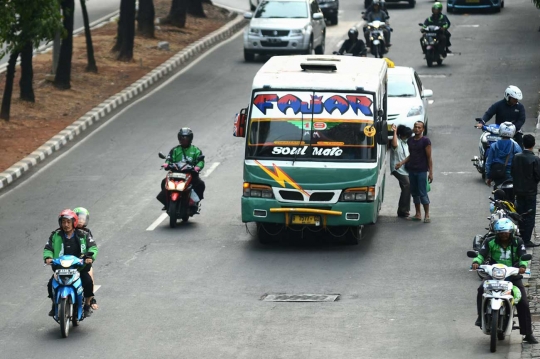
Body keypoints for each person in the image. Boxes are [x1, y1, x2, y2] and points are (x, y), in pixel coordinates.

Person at [471, 218, 538, 344]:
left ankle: (528, 333)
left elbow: (523, 255)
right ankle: (481, 317)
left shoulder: (518, 241)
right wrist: (476, 262)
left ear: (511, 232)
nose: (503, 235)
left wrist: (522, 266)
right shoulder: (490, 241)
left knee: (523, 302)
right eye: (501, 233)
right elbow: (481, 254)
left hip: (513, 276)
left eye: (506, 232)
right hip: (494, 274)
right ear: (496, 233)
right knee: (481, 289)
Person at [44, 209, 99, 317]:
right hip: (60, 268)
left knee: (88, 282)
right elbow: (48, 248)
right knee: (51, 284)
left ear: (74, 222)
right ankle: (54, 304)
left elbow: (93, 247)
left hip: (79, 268)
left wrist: (90, 257)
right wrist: (48, 257)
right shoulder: (56, 235)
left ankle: (87, 305)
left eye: (68, 222)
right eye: (63, 222)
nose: (66, 225)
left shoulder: (83, 235)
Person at [158, 127, 206, 210]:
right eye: (182, 138)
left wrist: (197, 167)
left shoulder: (196, 150)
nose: (184, 140)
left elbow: (201, 161)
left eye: (186, 138)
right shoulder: (175, 150)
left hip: (190, 173)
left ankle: (195, 202)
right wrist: (166, 164)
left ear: (190, 139)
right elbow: (169, 159)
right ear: (179, 139)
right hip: (175, 173)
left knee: (201, 184)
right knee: (164, 182)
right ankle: (167, 202)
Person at [395, 121, 432, 223]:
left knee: (422, 193)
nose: (417, 129)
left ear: (423, 129)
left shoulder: (426, 141)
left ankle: (427, 214)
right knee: (415, 193)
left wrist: (431, 172)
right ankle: (418, 214)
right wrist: (401, 163)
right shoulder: (410, 141)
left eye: (419, 127)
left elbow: (429, 158)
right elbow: (411, 155)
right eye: (415, 127)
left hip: (421, 171)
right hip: (412, 170)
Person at [511, 134, 540, 247]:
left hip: (518, 190)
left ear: (523, 144)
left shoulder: (517, 157)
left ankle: (520, 236)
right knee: (530, 215)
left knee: (520, 213)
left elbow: (512, 171)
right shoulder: (535, 159)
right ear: (533, 145)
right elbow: (537, 176)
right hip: (530, 191)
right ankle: (526, 239)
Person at [485, 122, 522, 192]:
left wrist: (489, 177)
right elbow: (520, 162)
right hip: (510, 174)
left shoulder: (494, 146)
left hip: (497, 174)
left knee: (497, 196)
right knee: (511, 197)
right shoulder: (515, 146)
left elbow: (488, 163)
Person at [73, 207, 99, 295]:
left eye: (83, 219)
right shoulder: (67, 231)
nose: (81, 221)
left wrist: (90, 257)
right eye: (79, 218)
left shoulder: (86, 233)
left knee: (89, 277)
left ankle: (90, 300)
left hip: (82, 262)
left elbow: (92, 246)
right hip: (69, 262)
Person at [390, 124, 412, 217]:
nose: (406, 137)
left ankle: (403, 210)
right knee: (407, 185)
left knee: (406, 188)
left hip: (405, 168)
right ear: (400, 134)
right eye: (405, 135)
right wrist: (394, 132)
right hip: (397, 168)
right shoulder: (397, 141)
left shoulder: (406, 143)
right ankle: (403, 210)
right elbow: (394, 145)